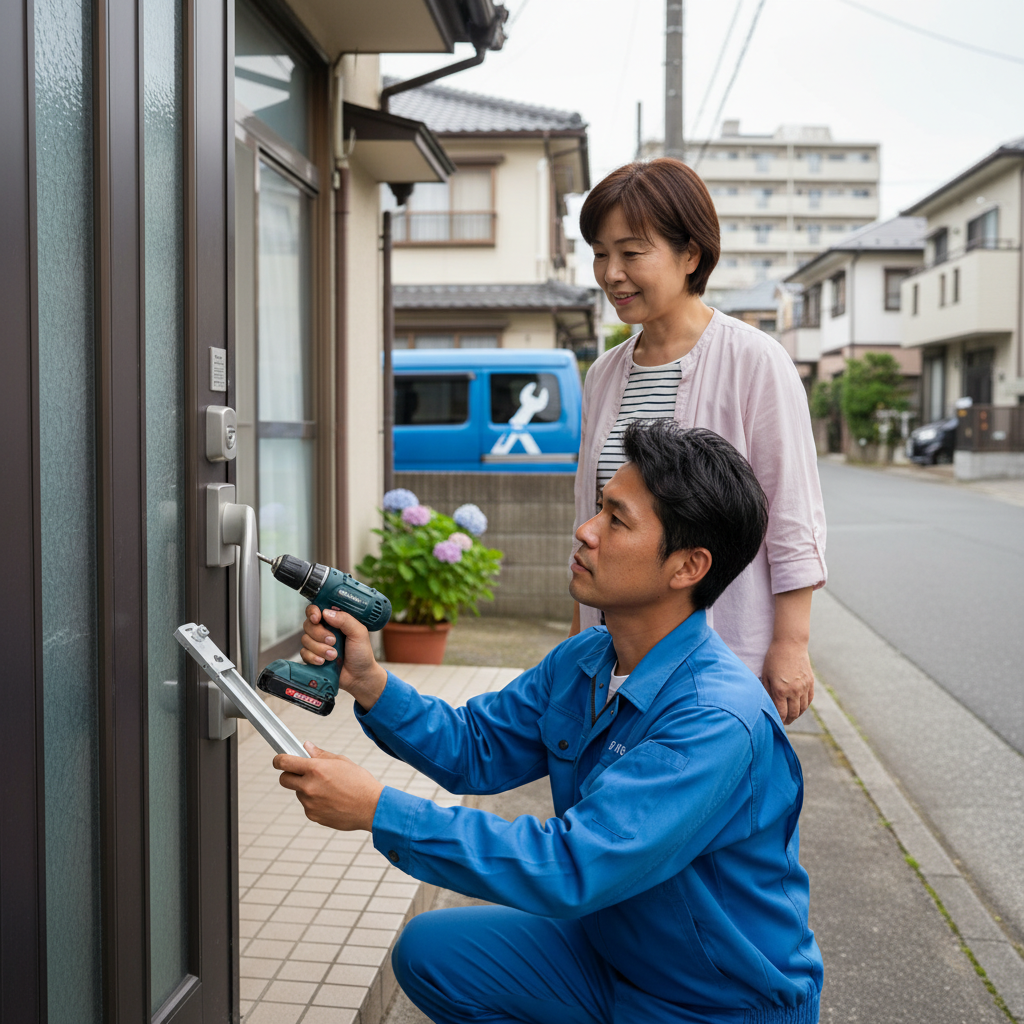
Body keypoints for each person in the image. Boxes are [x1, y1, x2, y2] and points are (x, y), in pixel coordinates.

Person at [277, 420, 823, 1024]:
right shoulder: (587, 657)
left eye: (616, 520)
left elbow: (572, 867)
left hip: (717, 1002)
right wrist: (369, 682)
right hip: (613, 954)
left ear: (688, 567)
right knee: (432, 954)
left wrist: (380, 809)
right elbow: (473, 747)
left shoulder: (716, 719)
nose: (585, 531)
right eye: (598, 510)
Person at [570, 158, 827, 725]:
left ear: (691, 255)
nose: (612, 272)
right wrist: (576, 644)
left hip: (720, 652)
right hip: (617, 655)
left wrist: (792, 643)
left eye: (632, 253)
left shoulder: (755, 360)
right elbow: (591, 517)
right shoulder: (603, 375)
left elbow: (790, 513)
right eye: (599, 253)